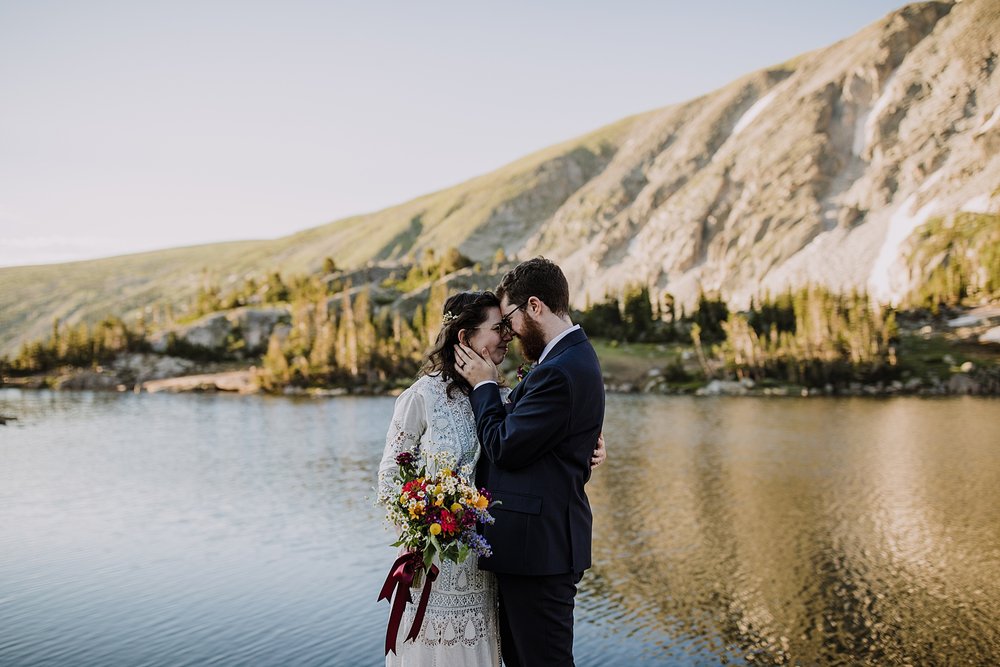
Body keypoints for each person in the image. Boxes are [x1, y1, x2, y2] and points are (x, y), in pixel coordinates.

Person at [378, 289, 606, 667]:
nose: (508, 334)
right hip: (438, 562)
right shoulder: (420, 398)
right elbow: (390, 478)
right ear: (465, 338)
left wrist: (589, 444)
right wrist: (425, 521)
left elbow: (534, 442)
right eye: (497, 327)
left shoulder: (502, 396)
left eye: (507, 324)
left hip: (488, 563)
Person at [454, 258, 605, 667]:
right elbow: (551, 443)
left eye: (510, 319)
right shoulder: (567, 360)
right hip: (535, 549)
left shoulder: (561, 370)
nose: (509, 333)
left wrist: (484, 384)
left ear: (534, 306)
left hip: (540, 553)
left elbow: (504, 445)